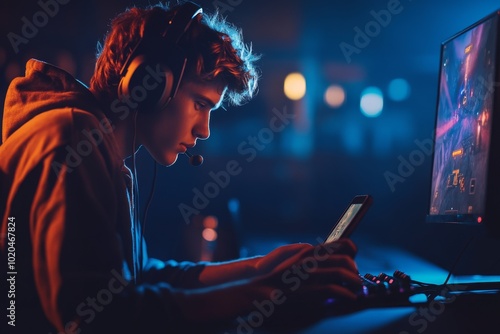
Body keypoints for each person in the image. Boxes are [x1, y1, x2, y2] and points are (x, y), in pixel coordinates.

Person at [0, 1, 361, 333]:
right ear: (152, 83)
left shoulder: (104, 151)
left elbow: (143, 278)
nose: (204, 130)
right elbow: (91, 315)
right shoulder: (74, 138)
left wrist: (262, 268)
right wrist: (268, 294)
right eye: (200, 104)